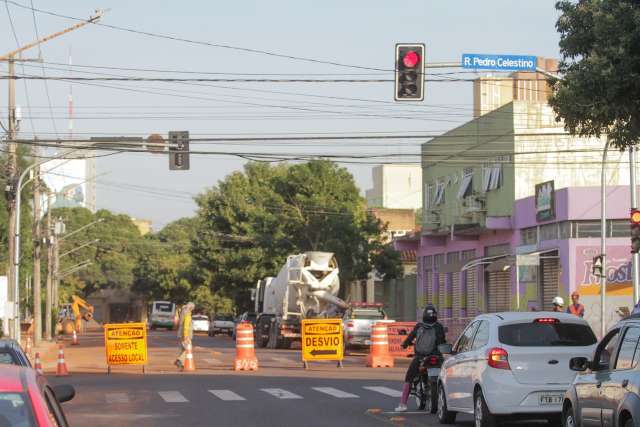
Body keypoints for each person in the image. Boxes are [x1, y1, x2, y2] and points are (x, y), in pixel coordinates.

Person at [395, 304, 446, 412]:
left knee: (409, 377)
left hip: (420, 357)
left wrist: (404, 344)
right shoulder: (439, 327)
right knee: (444, 377)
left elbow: (410, 337)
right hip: (435, 356)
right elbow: (442, 342)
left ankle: (403, 404)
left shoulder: (419, 326)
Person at [174, 302, 194, 371]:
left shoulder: (183, 312)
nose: (192, 311)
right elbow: (186, 325)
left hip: (181, 333)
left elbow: (179, 322)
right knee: (188, 348)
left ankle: (181, 365)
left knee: (183, 349)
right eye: (192, 309)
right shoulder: (187, 314)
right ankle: (179, 361)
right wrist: (186, 336)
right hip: (185, 334)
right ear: (191, 308)